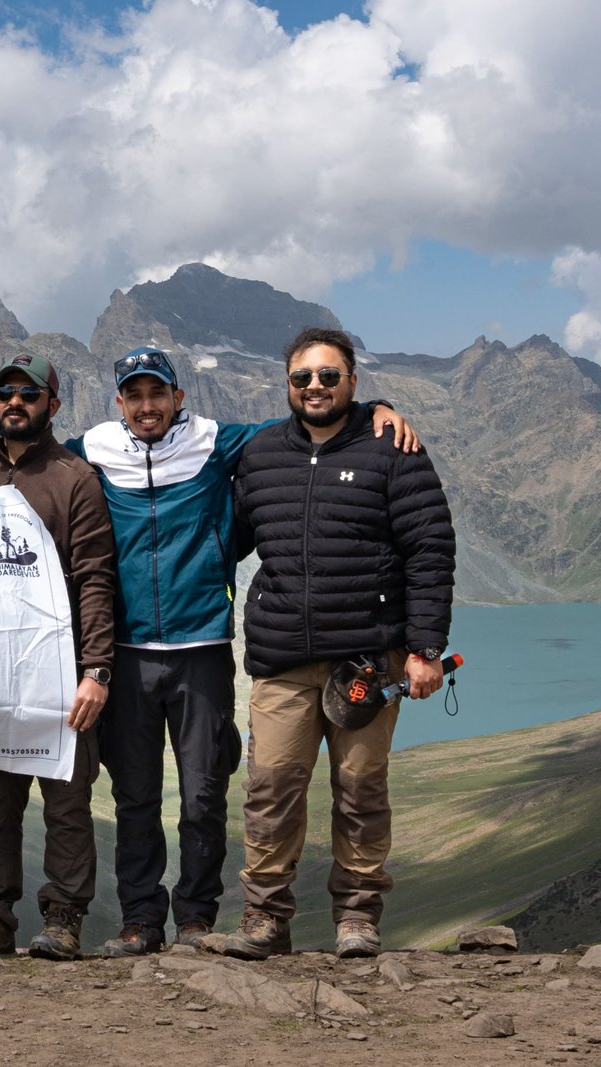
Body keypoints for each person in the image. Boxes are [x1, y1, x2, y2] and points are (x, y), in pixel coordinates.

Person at [0, 347, 417, 956]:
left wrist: (377, 408)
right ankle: (140, 921)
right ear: (119, 402)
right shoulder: (93, 450)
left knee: (202, 794)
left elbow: (307, 421)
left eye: (157, 394)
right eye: (134, 396)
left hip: (202, 647)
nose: (146, 406)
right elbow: (26, 438)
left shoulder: (217, 442)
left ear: (178, 398)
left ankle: (195, 919)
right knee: (134, 796)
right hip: (129, 651)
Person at [223, 327, 454, 961]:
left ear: (354, 381)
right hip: (281, 659)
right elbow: (228, 535)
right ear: (288, 385)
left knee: (361, 792)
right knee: (270, 790)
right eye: (303, 378)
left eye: (330, 376)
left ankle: (357, 918)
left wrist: (425, 648)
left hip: (368, 660)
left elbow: (429, 550)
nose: (316, 387)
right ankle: (266, 920)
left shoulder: (393, 449)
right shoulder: (260, 453)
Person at [0, 352, 117, 961]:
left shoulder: (75, 477)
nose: (16, 401)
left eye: (30, 394)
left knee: (66, 798)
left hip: (58, 669)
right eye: (5, 391)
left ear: (52, 405)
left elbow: (94, 576)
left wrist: (96, 671)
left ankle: (64, 917)